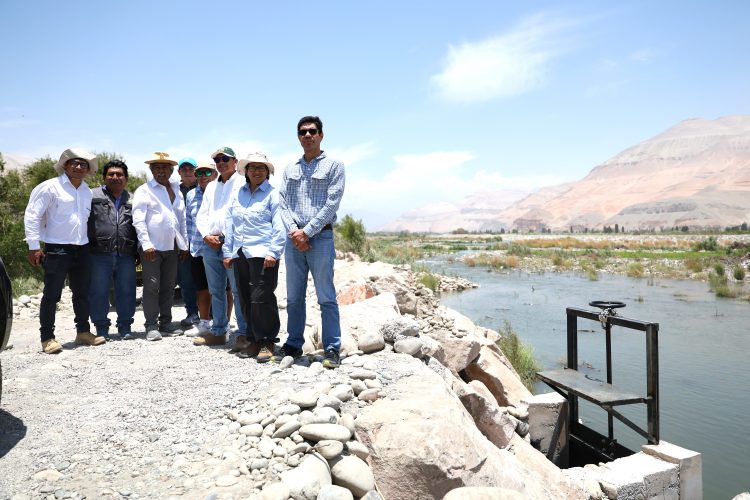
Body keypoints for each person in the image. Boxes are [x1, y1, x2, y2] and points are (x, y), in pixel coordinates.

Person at [274, 116, 345, 368]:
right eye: (302, 132)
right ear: (298, 136)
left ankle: (332, 348)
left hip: (321, 238)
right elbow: (283, 202)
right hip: (293, 241)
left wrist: (308, 232)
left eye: (312, 131)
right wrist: (295, 232)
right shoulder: (290, 169)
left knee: (326, 296)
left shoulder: (334, 166)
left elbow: (332, 202)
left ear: (321, 135)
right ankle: (293, 344)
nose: (307, 135)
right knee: (294, 297)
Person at [24, 148, 105, 354]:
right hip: (57, 248)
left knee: (82, 293)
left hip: (82, 248)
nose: (79, 167)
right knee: (52, 294)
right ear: (65, 165)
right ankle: (47, 338)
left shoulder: (86, 191)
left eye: (83, 164)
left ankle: (83, 332)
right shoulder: (50, 187)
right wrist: (34, 247)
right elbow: (32, 216)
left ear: (88, 169)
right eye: (74, 163)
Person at [223, 153, 285, 362]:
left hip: (263, 253)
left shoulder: (273, 195)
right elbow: (230, 223)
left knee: (262, 297)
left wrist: (273, 252)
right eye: (252, 168)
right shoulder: (238, 194)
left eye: (261, 168)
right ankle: (254, 339)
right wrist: (228, 251)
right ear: (246, 172)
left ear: (267, 172)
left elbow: (279, 226)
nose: (256, 171)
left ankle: (268, 340)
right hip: (240, 252)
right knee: (245, 296)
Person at [194, 147, 248, 348]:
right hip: (210, 244)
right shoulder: (210, 187)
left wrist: (228, 237)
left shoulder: (243, 182)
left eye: (225, 158)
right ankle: (218, 331)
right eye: (217, 159)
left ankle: (243, 332)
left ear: (235, 161)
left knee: (237, 289)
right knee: (215, 290)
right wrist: (206, 235)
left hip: (233, 243)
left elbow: (242, 213)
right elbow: (202, 215)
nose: (221, 162)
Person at [132, 152, 188, 341]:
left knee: (169, 286)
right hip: (152, 248)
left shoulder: (176, 189)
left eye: (164, 167)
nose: (161, 171)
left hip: (172, 246)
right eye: (156, 167)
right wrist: (146, 244)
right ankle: (151, 326)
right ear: (151, 170)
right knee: (151, 287)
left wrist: (184, 245)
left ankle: (166, 323)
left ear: (171, 170)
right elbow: (138, 220)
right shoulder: (144, 190)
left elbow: (181, 220)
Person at [87, 159, 138, 340]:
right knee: (99, 291)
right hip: (99, 253)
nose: (115, 177)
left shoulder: (134, 199)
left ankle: (125, 326)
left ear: (126, 178)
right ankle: (101, 328)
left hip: (126, 254)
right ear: (104, 177)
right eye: (111, 174)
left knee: (126, 290)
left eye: (119, 174)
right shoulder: (91, 196)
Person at [185, 162, 218, 336]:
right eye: (199, 173)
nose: (203, 176)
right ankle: (204, 323)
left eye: (207, 172)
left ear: (215, 174)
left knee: (224, 289)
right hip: (197, 248)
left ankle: (222, 323)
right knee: (202, 288)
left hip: (219, 248)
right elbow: (188, 222)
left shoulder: (221, 192)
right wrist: (187, 245)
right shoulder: (191, 195)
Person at [176, 157, 200, 330]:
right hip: (181, 243)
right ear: (179, 172)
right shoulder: (173, 190)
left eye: (190, 168)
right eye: (183, 169)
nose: (187, 171)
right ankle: (192, 313)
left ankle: (212, 315)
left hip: (201, 242)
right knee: (185, 280)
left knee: (206, 280)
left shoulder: (205, 187)